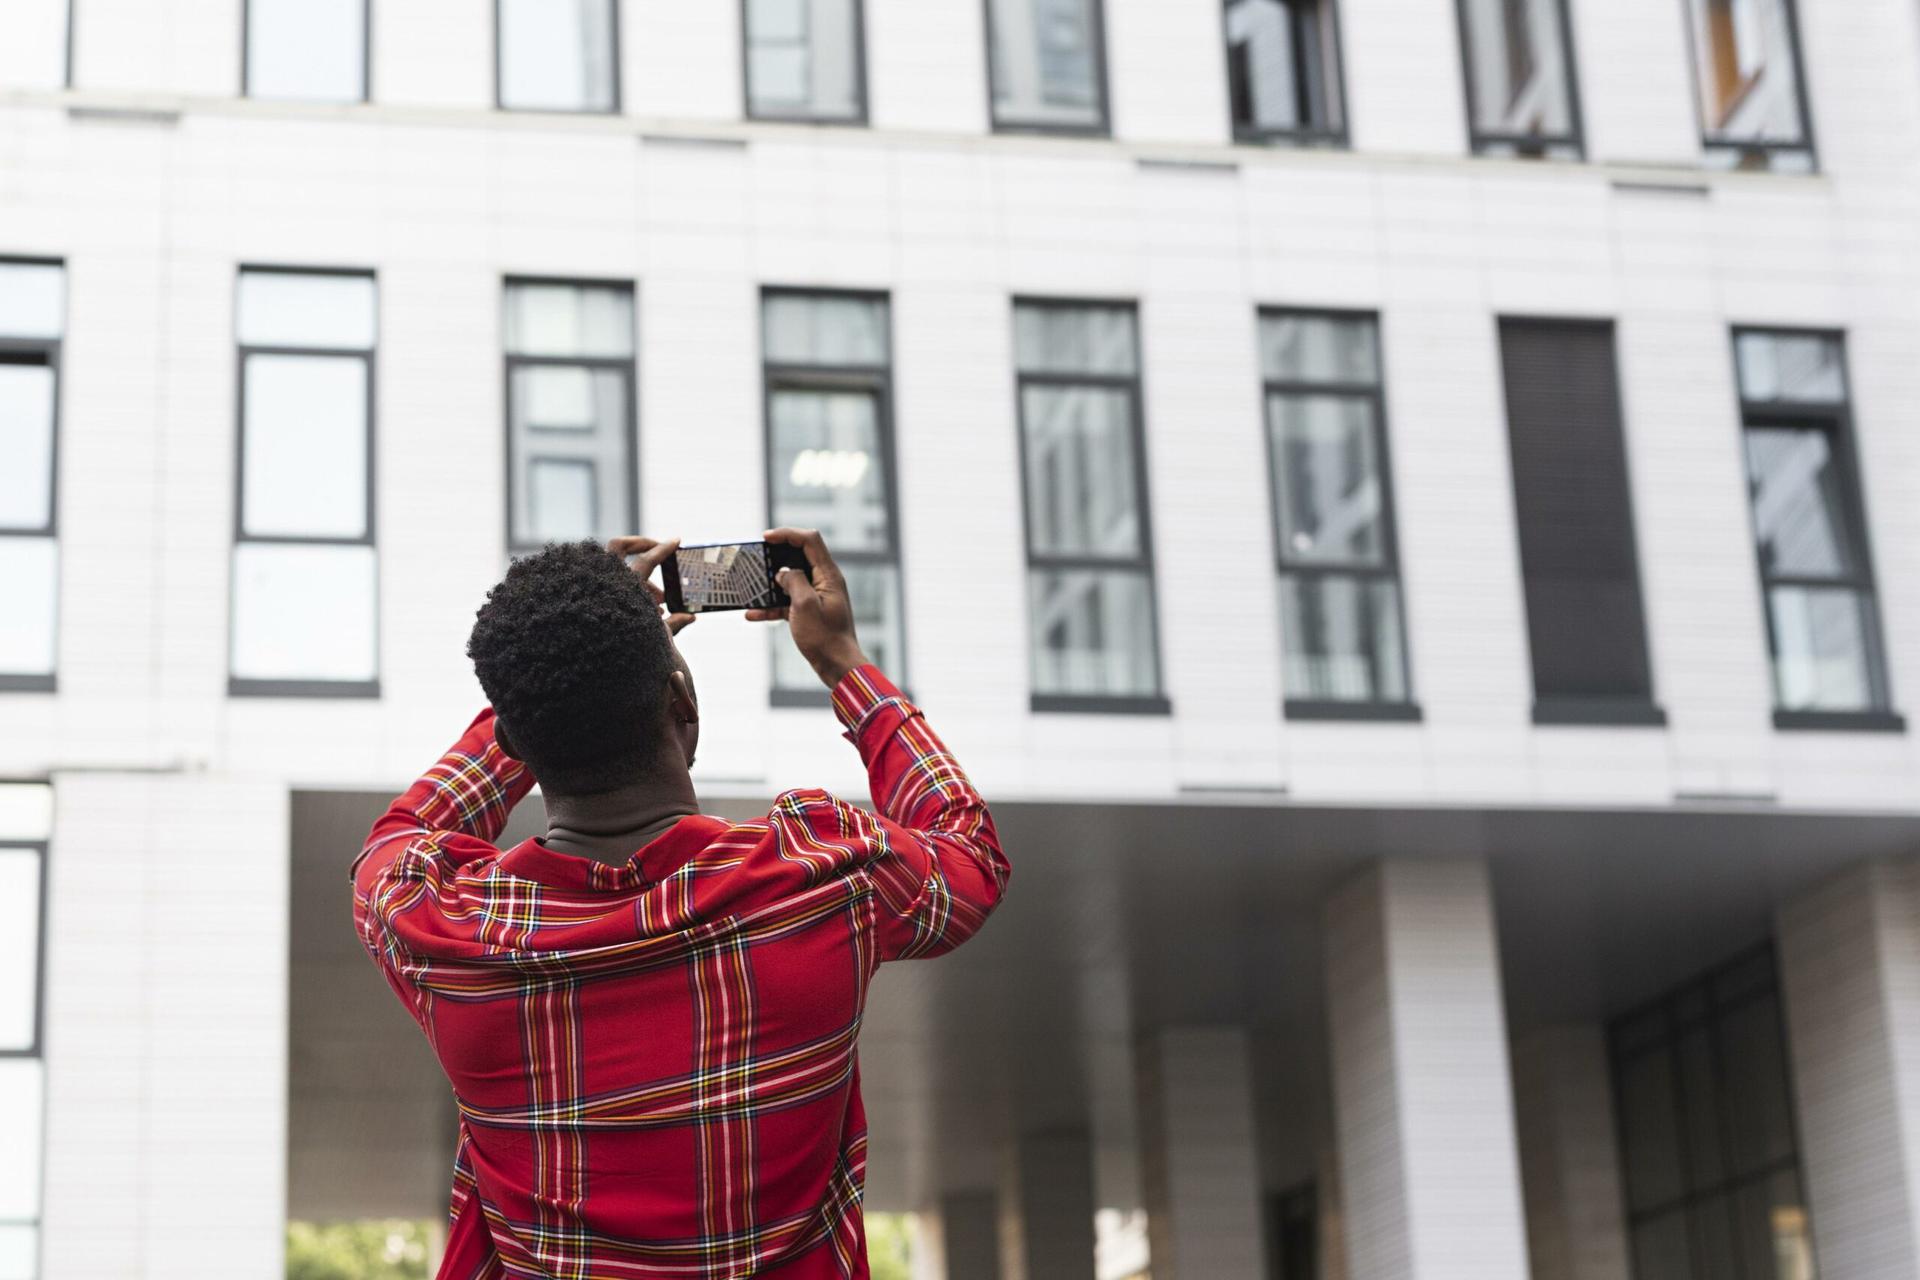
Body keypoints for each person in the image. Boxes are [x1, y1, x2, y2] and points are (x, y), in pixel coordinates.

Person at [351, 528, 1009, 1278]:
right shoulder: (823, 880)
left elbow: (402, 834)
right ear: (683, 708)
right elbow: (969, 855)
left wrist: (538, 696)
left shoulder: (440, 930)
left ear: (515, 742)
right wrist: (844, 663)